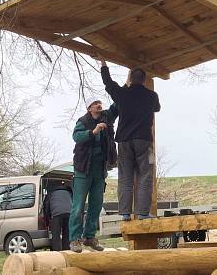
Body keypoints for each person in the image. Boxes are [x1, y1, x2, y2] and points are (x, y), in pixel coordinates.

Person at [100, 60, 161, 221]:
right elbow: (157, 108)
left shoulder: (122, 94)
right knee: (145, 175)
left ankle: (125, 213)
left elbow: (108, 83)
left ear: (131, 79)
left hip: (124, 140)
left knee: (125, 176)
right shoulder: (152, 96)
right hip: (144, 141)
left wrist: (103, 64)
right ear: (144, 80)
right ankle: (142, 213)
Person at [69, 98, 118, 252]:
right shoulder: (82, 121)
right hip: (83, 170)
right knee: (77, 207)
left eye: (100, 103)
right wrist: (94, 131)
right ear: (89, 108)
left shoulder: (106, 117)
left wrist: (125, 88)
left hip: (99, 171)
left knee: (96, 206)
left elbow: (116, 106)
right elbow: (76, 137)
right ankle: (74, 240)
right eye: (95, 103)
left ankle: (89, 237)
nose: (99, 105)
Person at [44, 183, 72, 251]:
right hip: (69, 213)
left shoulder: (51, 193)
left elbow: (46, 206)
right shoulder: (68, 192)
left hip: (56, 214)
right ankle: (66, 250)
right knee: (67, 233)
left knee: (56, 234)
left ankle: (57, 252)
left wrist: (47, 219)